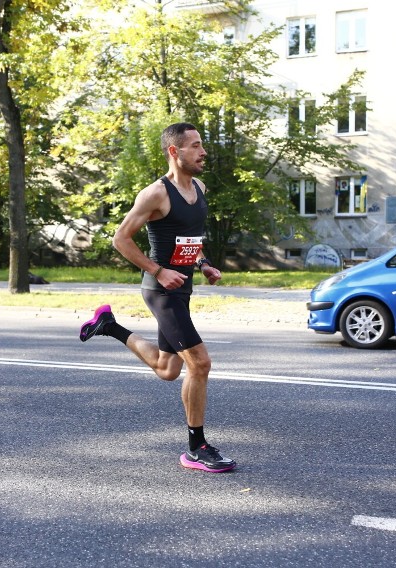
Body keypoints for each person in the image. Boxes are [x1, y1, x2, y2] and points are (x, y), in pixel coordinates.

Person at [79, 122, 236, 473]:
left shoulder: (199, 186)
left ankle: (109, 326)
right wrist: (158, 270)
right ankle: (196, 447)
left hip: (183, 289)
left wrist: (205, 263)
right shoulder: (156, 194)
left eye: (201, 145)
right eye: (195, 146)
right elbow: (121, 239)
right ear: (174, 152)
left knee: (168, 369)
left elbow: (191, 238)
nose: (202, 151)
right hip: (160, 292)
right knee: (200, 364)